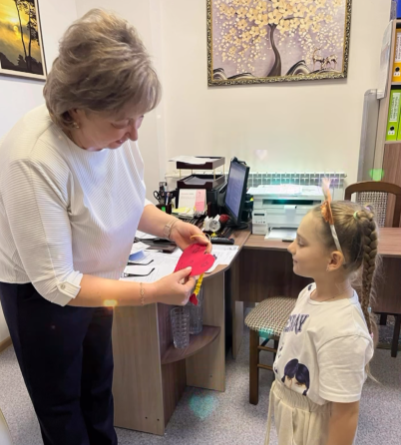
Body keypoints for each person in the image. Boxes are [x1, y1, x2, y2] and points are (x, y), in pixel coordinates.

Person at [0, 9, 209, 445]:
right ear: (75, 109)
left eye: (140, 118)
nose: (133, 134)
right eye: (121, 121)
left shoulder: (117, 133)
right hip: (41, 292)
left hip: (97, 280)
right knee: (62, 406)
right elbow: (57, 283)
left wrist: (171, 226)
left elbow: (128, 199)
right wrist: (151, 292)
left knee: (97, 384)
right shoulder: (33, 157)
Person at [265, 181, 377, 445]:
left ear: (333, 260)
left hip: (313, 429)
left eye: (301, 243)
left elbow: (345, 414)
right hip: (292, 413)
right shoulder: (309, 292)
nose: (291, 248)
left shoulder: (344, 332)